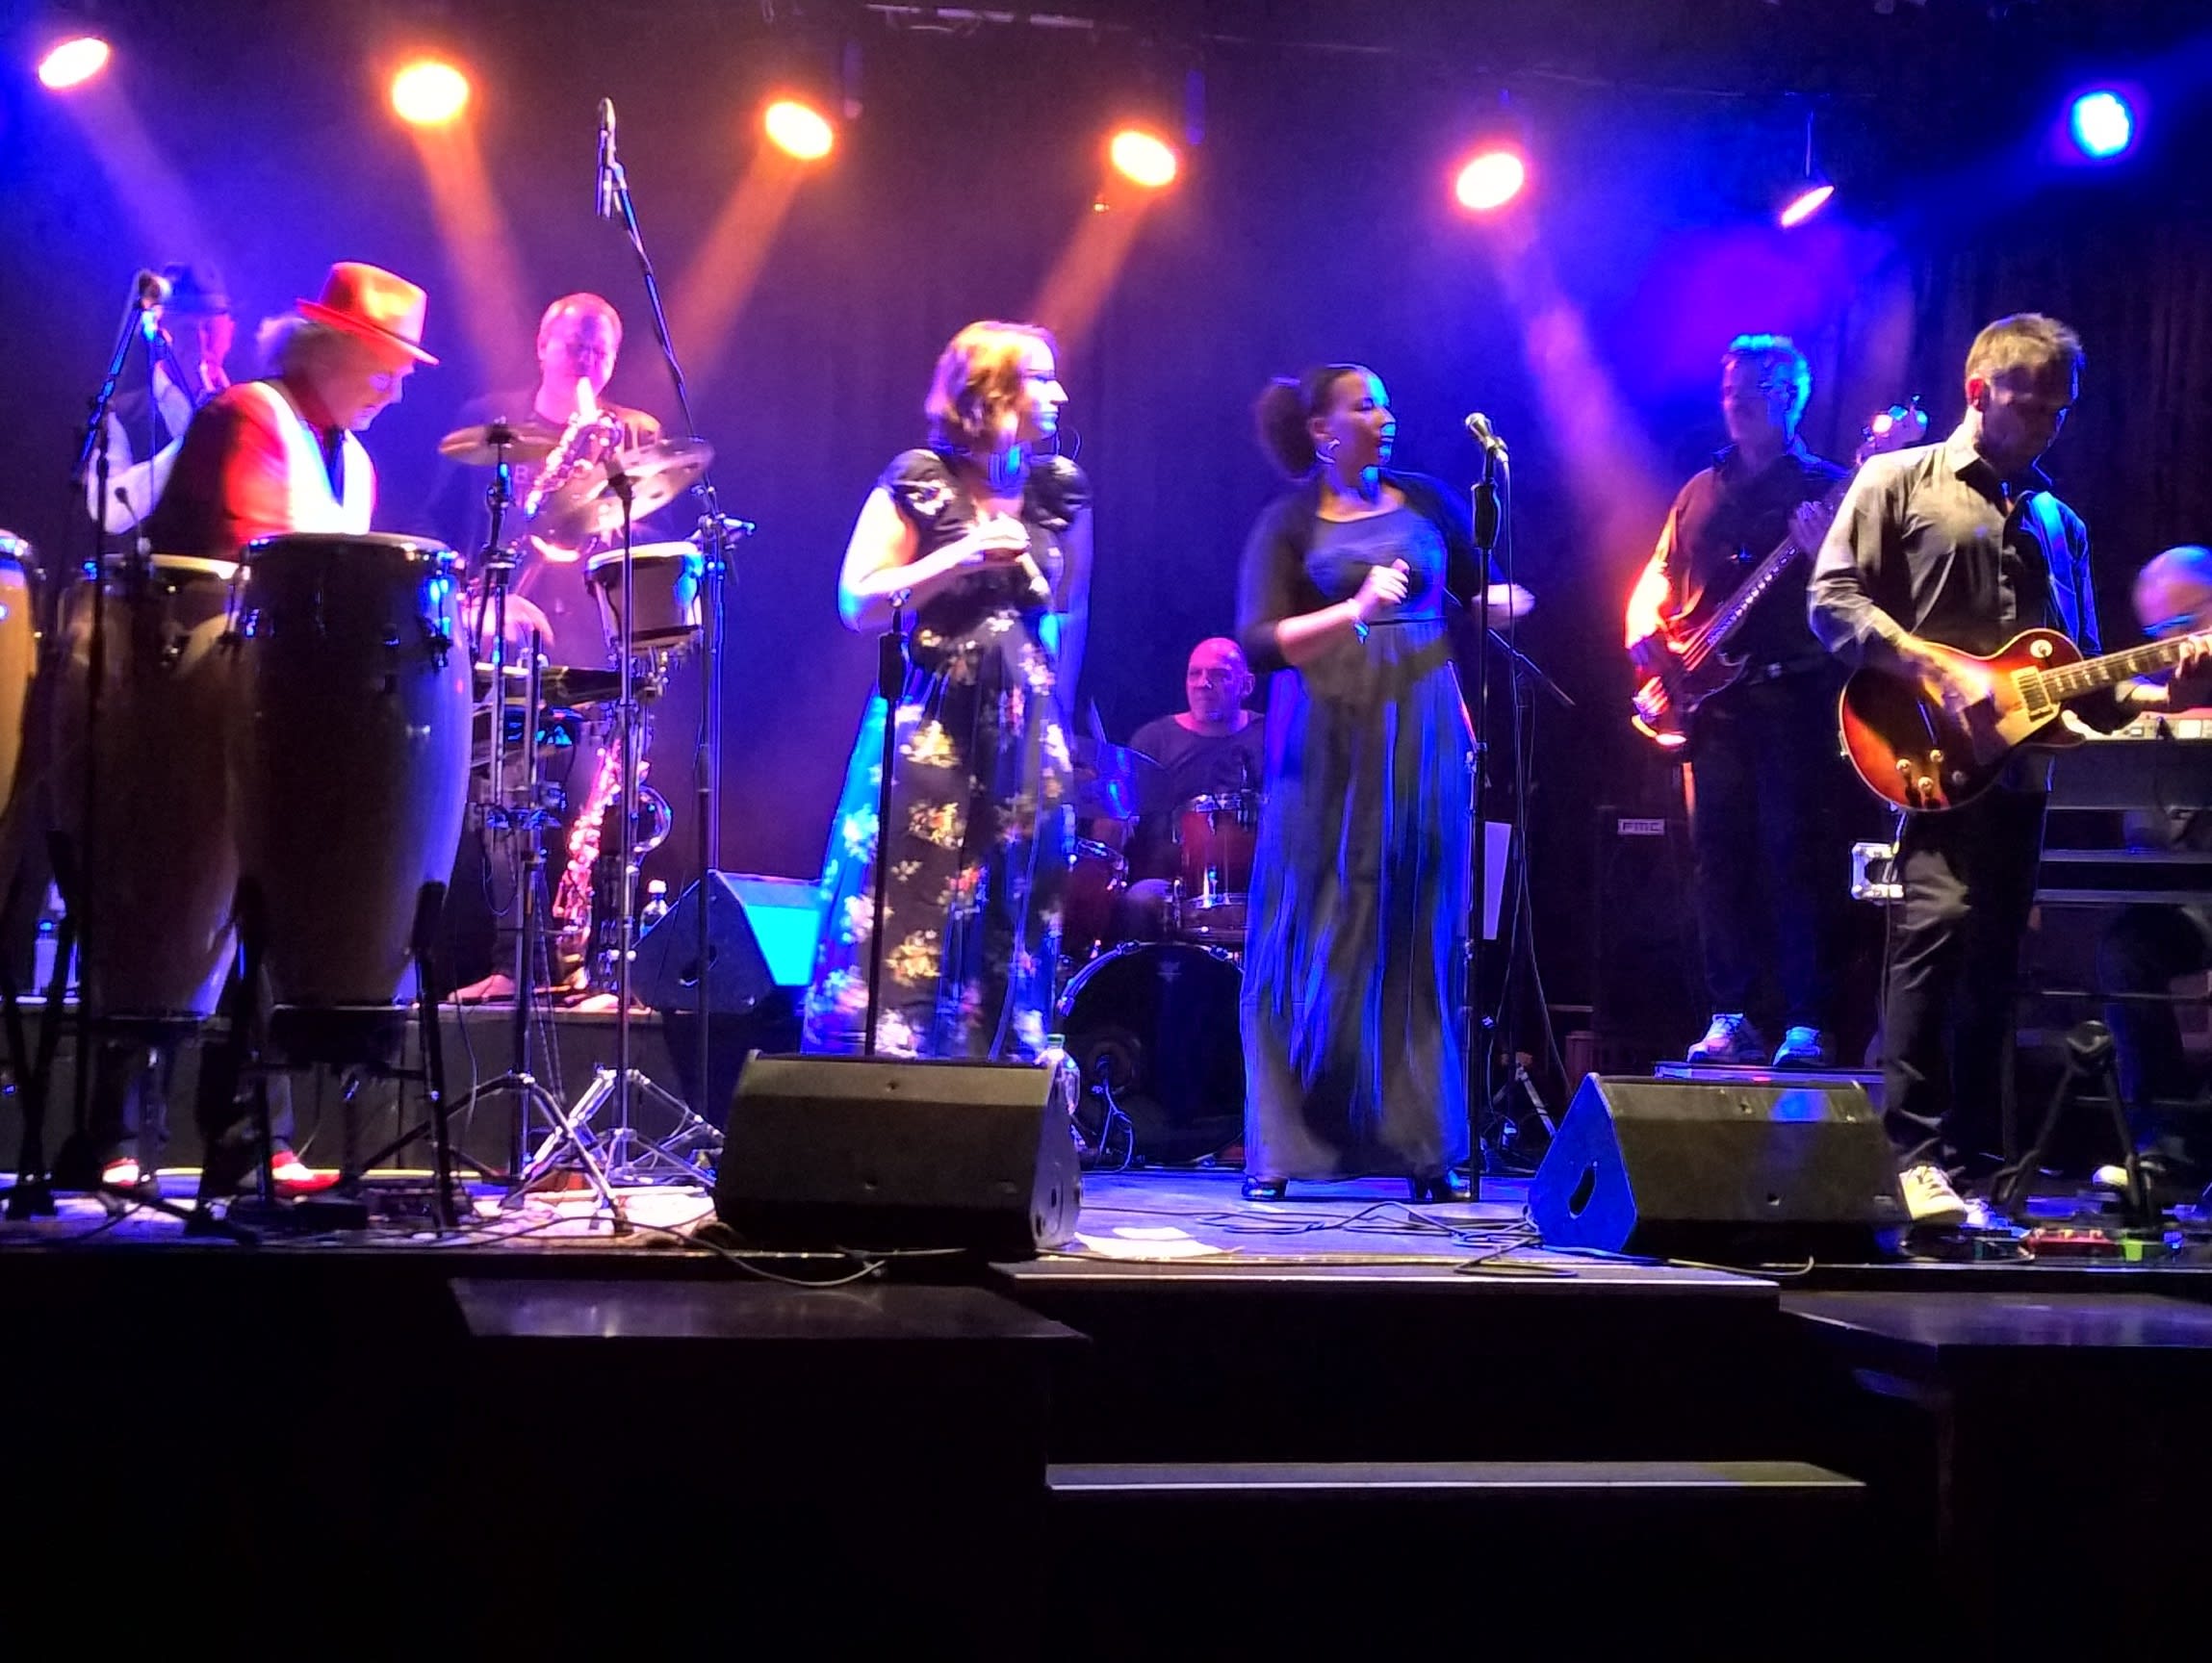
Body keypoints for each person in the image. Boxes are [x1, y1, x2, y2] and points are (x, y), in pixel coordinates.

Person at [1809, 313, 2188, 1226]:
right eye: (2034, 406)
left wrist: (2162, 689)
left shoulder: (2061, 521)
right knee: (1934, 932)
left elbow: (2086, 676)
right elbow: (1831, 601)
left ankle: (1977, 1171)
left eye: (2062, 410)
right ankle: (1911, 1155)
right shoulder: (1898, 480)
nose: (2050, 424)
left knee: (1995, 960)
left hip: (2022, 775)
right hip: (1923, 747)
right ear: (1980, 392)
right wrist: (1935, 668)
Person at [133, 260, 436, 1198]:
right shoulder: (248, 417)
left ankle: (252, 1139)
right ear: (332, 348)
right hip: (196, 702)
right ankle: (121, 1134)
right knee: (182, 915)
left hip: (284, 716)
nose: (395, 390)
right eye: (387, 368)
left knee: (268, 920)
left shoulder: (354, 460)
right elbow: (255, 566)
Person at [1235, 362, 1530, 1202]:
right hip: (1325, 736)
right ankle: (1286, 1149)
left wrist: (1511, 600)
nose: (1384, 417)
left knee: (1417, 925)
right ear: (1322, 431)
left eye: (1387, 405)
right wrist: (1355, 610)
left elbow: (1476, 592)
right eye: (1364, 406)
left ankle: (1423, 1144)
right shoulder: (1289, 522)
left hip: (1421, 732)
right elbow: (1258, 641)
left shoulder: (1428, 498)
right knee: (1317, 921)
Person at [801, 320, 1090, 1061]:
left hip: (1026, 735)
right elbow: (858, 602)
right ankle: (884, 1076)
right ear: (989, 393)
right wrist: (960, 557)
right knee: (908, 894)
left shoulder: (1060, 494)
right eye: (1039, 379)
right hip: (931, 729)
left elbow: (1069, 616)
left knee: (1013, 906)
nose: (1058, 394)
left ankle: (996, 1076)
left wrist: (1056, 725)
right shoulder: (920, 480)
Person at [1625, 335, 1852, 1068]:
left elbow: (1869, 588)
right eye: (1728, 388)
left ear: (1789, 396)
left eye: (1752, 388)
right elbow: (1659, 572)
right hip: (1709, 705)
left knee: (1793, 854)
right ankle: (1732, 1015)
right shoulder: (1699, 488)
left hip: (1792, 693)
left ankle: (1806, 1019)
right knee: (1717, 859)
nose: (1735, 401)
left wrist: (1825, 554)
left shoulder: (1830, 486)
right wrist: (1640, 626)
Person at [2096, 546, 2212, 1184]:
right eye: (2154, 635)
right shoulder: (2147, 700)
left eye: (2177, 628)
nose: (2165, 648)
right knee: (2127, 948)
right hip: (2186, 902)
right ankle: (2163, 1141)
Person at [1118, 637, 1269, 934]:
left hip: (1257, 886)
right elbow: (1114, 818)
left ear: (1247, 685)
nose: (1203, 683)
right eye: (1194, 674)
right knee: (1138, 900)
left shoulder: (1271, 734)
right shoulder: (1154, 739)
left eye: (1219, 674)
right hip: (1171, 887)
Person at [84, 263, 237, 534]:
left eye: (210, 327)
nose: (201, 342)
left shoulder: (251, 406)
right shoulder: (123, 413)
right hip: (155, 560)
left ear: (229, 332)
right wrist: (192, 444)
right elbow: (109, 512)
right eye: (188, 329)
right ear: (160, 331)